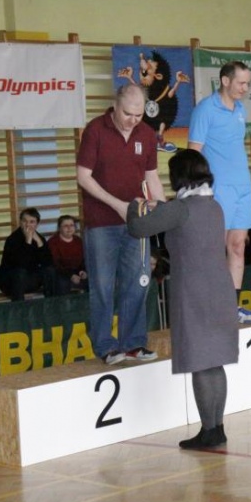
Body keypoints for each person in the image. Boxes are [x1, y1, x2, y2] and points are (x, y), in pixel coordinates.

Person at [127, 150, 238, 449]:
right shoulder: (213, 205)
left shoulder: (181, 208)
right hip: (220, 289)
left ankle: (208, 430)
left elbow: (137, 228)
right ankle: (217, 428)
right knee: (214, 362)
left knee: (200, 361)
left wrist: (133, 206)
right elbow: (182, 220)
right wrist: (162, 207)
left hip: (194, 291)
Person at [77, 83, 165, 365]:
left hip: (136, 222)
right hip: (101, 223)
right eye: (127, 114)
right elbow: (83, 176)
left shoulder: (147, 134)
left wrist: (163, 208)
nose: (132, 120)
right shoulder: (95, 130)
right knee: (103, 286)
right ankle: (105, 345)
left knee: (138, 282)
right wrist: (116, 204)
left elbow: (152, 176)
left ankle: (133, 343)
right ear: (115, 106)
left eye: (138, 115)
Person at [188, 60, 251, 324]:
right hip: (217, 189)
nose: (245, 88)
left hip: (243, 187)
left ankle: (232, 306)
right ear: (225, 81)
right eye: (241, 83)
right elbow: (193, 154)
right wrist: (198, 192)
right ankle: (209, 307)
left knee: (238, 246)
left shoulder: (240, 109)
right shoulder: (205, 109)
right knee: (214, 249)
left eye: (248, 83)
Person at [0, 208, 56, 301]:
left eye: (32, 222)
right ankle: (19, 307)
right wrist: (28, 241)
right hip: (10, 281)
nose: (28, 224)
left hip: (30, 279)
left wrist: (39, 243)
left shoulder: (40, 238)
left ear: (37, 224)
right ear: (20, 222)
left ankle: (51, 303)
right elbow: (21, 264)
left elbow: (48, 262)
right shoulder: (12, 239)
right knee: (20, 273)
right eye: (25, 221)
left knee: (50, 270)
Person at [47, 215, 88, 295]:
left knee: (93, 280)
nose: (69, 228)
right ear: (59, 228)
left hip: (76, 272)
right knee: (62, 282)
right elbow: (55, 264)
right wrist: (71, 275)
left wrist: (82, 271)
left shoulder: (78, 241)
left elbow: (83, 259)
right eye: (65, 226)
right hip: (61, 273)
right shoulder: (53, 242)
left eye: (71, 225)